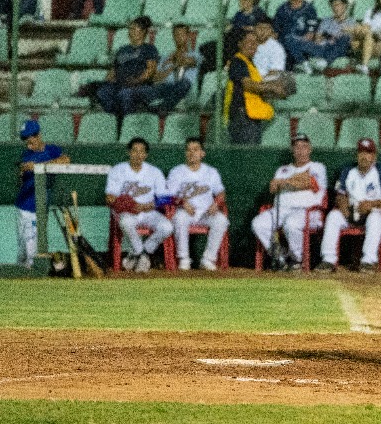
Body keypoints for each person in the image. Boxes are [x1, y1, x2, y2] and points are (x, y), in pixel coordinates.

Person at [319, 137, 381, 273]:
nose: (364, 157)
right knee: (333, 216)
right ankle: (328, 260)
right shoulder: (348, 170)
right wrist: (344, 207)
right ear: (357, 155)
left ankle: (368, 261)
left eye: (368, 153)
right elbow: (340, 194)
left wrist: (372, 204)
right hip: (352, 210)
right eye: (361, 153)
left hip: (375, 211)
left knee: (375, 219)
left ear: (374, 156)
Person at [251, 134, 327, 269]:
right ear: (292, 150)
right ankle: (280, 258)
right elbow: (273, 187)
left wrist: (284, 182)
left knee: (291, 224)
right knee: (258, 223)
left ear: (310, 149)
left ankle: (296, 259)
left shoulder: (317, 167)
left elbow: (307, 182)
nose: (301, 150)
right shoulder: (282, 169)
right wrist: (295, 179)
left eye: (304, 147)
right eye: (297, 147)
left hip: (308, 211)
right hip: (281, 209)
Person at [105, 137, 172, 274]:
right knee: (125, 222)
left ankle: (140, 253)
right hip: (127, 212)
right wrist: (128, 205)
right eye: (134, 151)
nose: (137, 154)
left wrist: (150, 205)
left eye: (141, 151)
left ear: (146, 155)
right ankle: (142, 255)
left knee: (167, 227)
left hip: (149, 210)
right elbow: (110, 197)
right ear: (128, 152)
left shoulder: (155, 172)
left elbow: (166, 198)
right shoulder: (118, 170)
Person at [166, 138, 228, 271]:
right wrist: (182, 202)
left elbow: (221, 192)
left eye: (195, 150)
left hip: (206, 212)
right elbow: (169, 196)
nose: (191, 153)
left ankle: (208, 259)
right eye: (188, 150)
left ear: (202, 153)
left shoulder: (211, 172)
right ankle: (184, 258)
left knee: (221, 220)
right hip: (185, 211)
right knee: (179, 218)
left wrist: (216, 203)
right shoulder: (176, 171)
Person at [15, 120, 69, 268]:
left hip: (41, 207)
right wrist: (26, 169)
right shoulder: (26, 155)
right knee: (24, 252)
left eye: (30, 137)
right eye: (25, 138)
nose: (27, 141)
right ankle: (21, 277)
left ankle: (31, 277)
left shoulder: (52, 150)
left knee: (32, 252)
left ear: (38, 135)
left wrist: (40, 166)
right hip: (26, 207)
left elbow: (65, 160)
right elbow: (23, 169)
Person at [98, 16, 158, 117]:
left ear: (143, 31)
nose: (131, 31)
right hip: (121, 83)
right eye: (130, 29)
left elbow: (150, 70)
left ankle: (126, 120)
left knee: (125, 94)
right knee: (102, 92)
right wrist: (106, 81)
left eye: (134, 28)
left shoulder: (149, 49)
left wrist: (137, 80)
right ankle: (116, 116)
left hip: (140, 85)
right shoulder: (123, 50)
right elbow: (114, 69)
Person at [225, 27, 274, 144]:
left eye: (255, 42)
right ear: (240, 44)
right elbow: (248, 85)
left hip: (251, 115)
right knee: (247, 155)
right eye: (249, 42)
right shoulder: (238, 62)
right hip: (243, 117)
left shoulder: (250, 64)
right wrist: (272, 88)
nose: (253, 45)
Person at [145, 23, 198, 115]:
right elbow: (155, 78)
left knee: (184, 84)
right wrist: (172, 66)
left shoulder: (195, 55)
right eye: (176, 34)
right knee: (150, 88)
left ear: (188, 36)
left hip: (186, 92)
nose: (179, 37)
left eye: (182, 34)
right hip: (166, 88)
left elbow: (189, 62)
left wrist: (175, 60)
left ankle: (162, 107)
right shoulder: (166, 57)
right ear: (173, 37)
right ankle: (160, 106)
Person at [274, 0, 320, 70]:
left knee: (290, 39)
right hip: (284, 44)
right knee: (286, 41)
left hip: (302, 42)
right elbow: (276, 30)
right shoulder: (282, 9)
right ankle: (303, 63)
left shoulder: (309, 9)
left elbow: (311, 33)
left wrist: (306, 37)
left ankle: (303, 62)